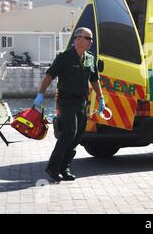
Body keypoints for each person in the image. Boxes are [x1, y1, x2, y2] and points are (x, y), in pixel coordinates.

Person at [34, 27, 105, 181]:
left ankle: (64, 168)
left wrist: (101, 98)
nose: (91, 42)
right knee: (69, 133)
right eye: (88, 38)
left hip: (82, 101)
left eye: (91, 39)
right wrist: (40, 94)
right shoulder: (64, 57)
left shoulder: (90, 58)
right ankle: (52, 167)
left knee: (77, 136)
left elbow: (94, 79)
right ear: (78, 39)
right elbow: (49, 75)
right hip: (66, 100)